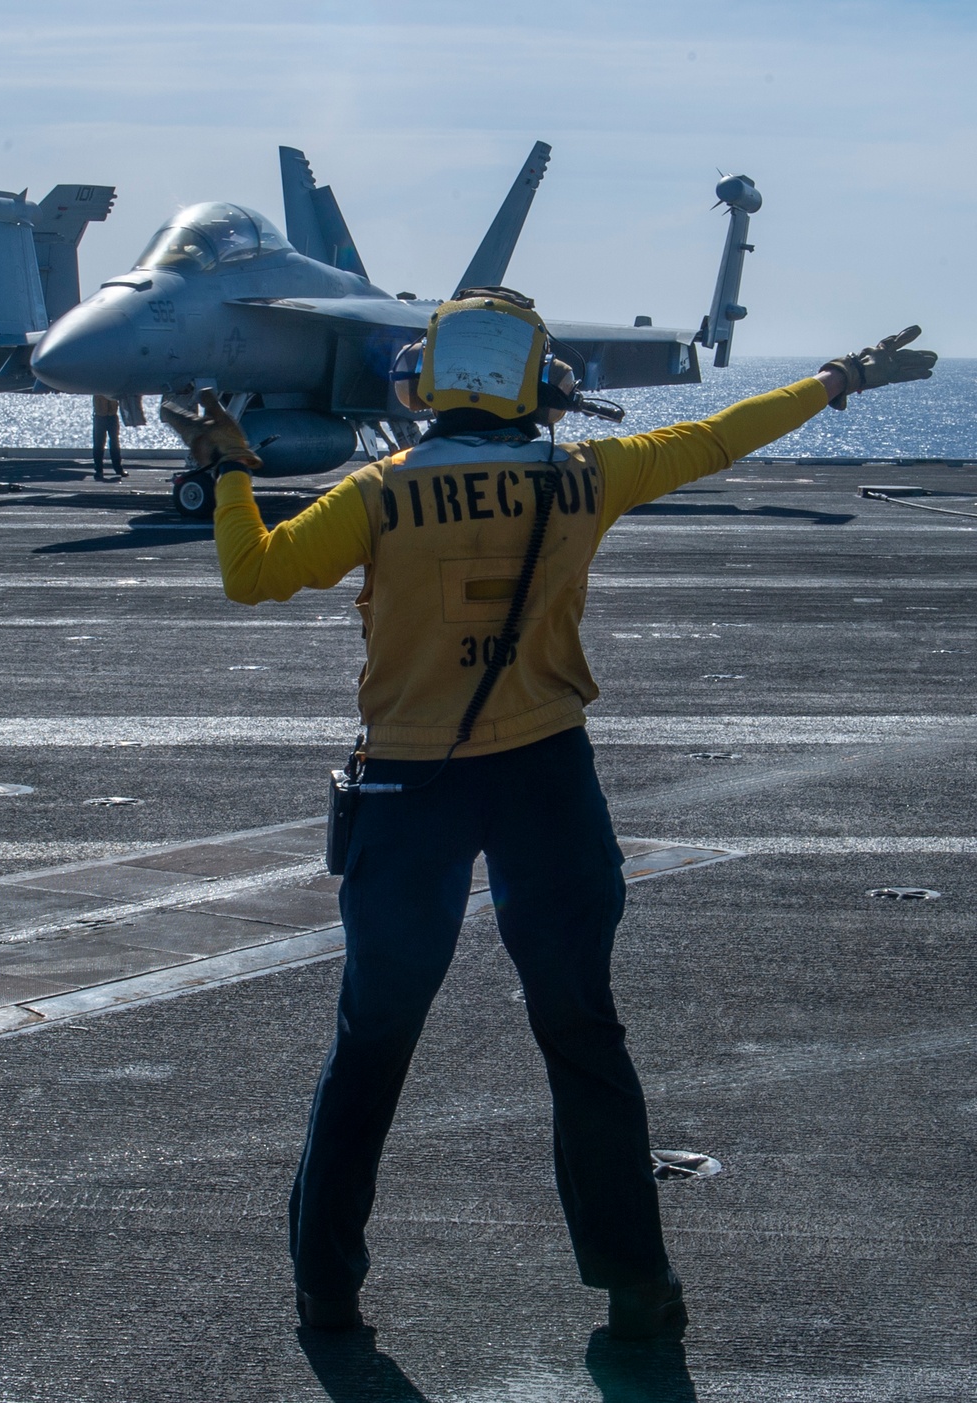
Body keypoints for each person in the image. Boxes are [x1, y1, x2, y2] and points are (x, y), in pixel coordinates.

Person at [161, 296, 935, 1340]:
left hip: (407, 788)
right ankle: (636, 1281)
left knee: (372, 1040)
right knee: (580, 1029)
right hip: (544, 778)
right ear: (536, 383)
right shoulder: (584, 476)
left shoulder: (380, 492)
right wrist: (838, 376)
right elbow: (722, 433)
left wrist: (234, 466)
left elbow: (252, 575)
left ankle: (326, 1289)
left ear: (432, 382)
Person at [92, 394, 125, 480]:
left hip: (112, 415)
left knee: (114, 442)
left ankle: (118, 468)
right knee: (99, 444)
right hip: (100, 416)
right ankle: (99, 470)